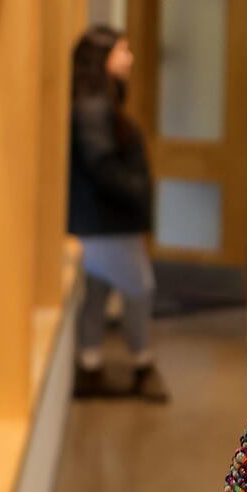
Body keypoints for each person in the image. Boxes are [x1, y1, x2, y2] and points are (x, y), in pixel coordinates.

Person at [67, 26, 169, 402]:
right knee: (139, 288)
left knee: (96, 291)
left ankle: (90, 363)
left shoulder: (98, 101)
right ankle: (141, 363)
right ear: (102, 60)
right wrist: (137, 190)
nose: (129, 59)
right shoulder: (94, 107)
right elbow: (102, 165)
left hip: (103, 220)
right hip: (106, 222)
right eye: (122, 51)